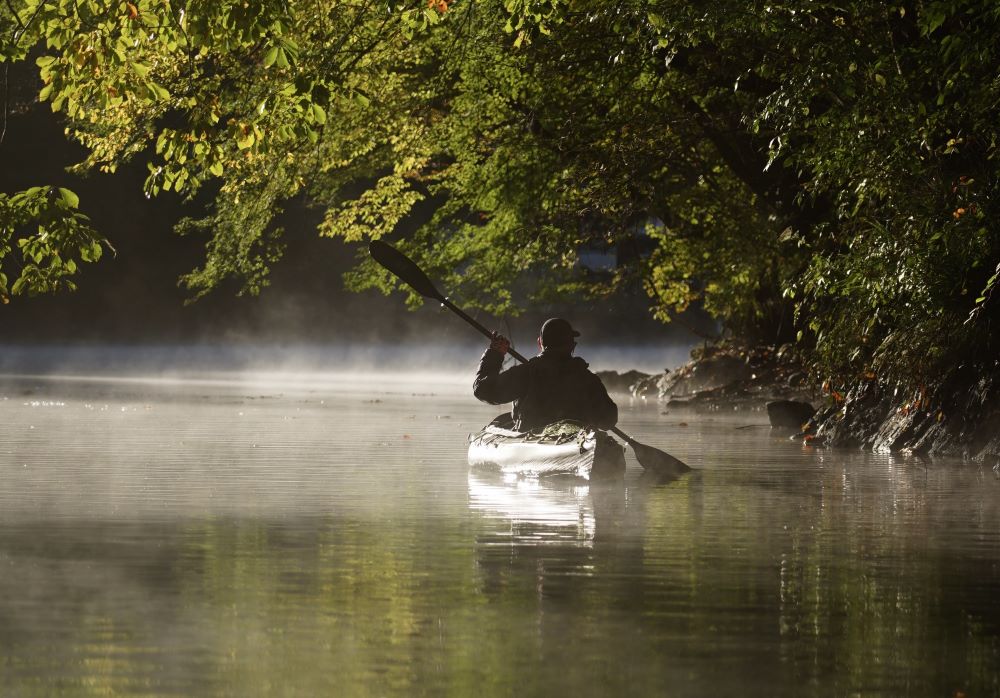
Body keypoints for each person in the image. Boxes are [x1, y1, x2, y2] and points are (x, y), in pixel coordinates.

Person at [473, 317, 618, 432]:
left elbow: (483, 390)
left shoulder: (527, 372)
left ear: (540, 343)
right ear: (572, 346)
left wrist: (495, 354)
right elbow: (608, 420)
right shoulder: (587, 377)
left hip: (533, 438)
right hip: (576, 440)